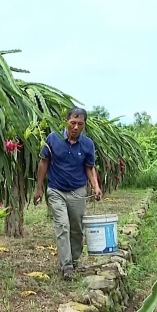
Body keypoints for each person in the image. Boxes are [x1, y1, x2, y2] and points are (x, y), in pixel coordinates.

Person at [34, 107, 102, 281]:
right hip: (56, 190)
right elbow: (44, 162)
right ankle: (66, 266)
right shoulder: (53, 138)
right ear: (66, 121)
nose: (76, 127)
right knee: (62, 226)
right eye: (73, 123)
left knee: (77, 228)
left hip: (78, 191)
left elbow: (89, 167)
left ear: (84, 125)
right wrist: (39, 187)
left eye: (80, 124)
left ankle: (75, 259)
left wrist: (95, 186)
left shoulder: (88, 144)